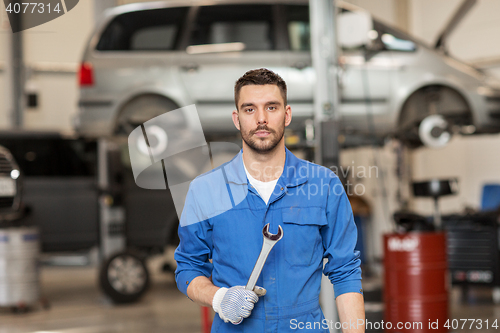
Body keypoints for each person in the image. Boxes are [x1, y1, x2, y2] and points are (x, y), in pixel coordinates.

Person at [175, 68, 365, 332]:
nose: (261, 119)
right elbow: (188, 267)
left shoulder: (324, 185)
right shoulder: (206, 190)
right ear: (236, 118)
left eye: (271, 107)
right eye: (250, 109)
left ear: (286, 115)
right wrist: (219, 298)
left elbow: (345, 271)